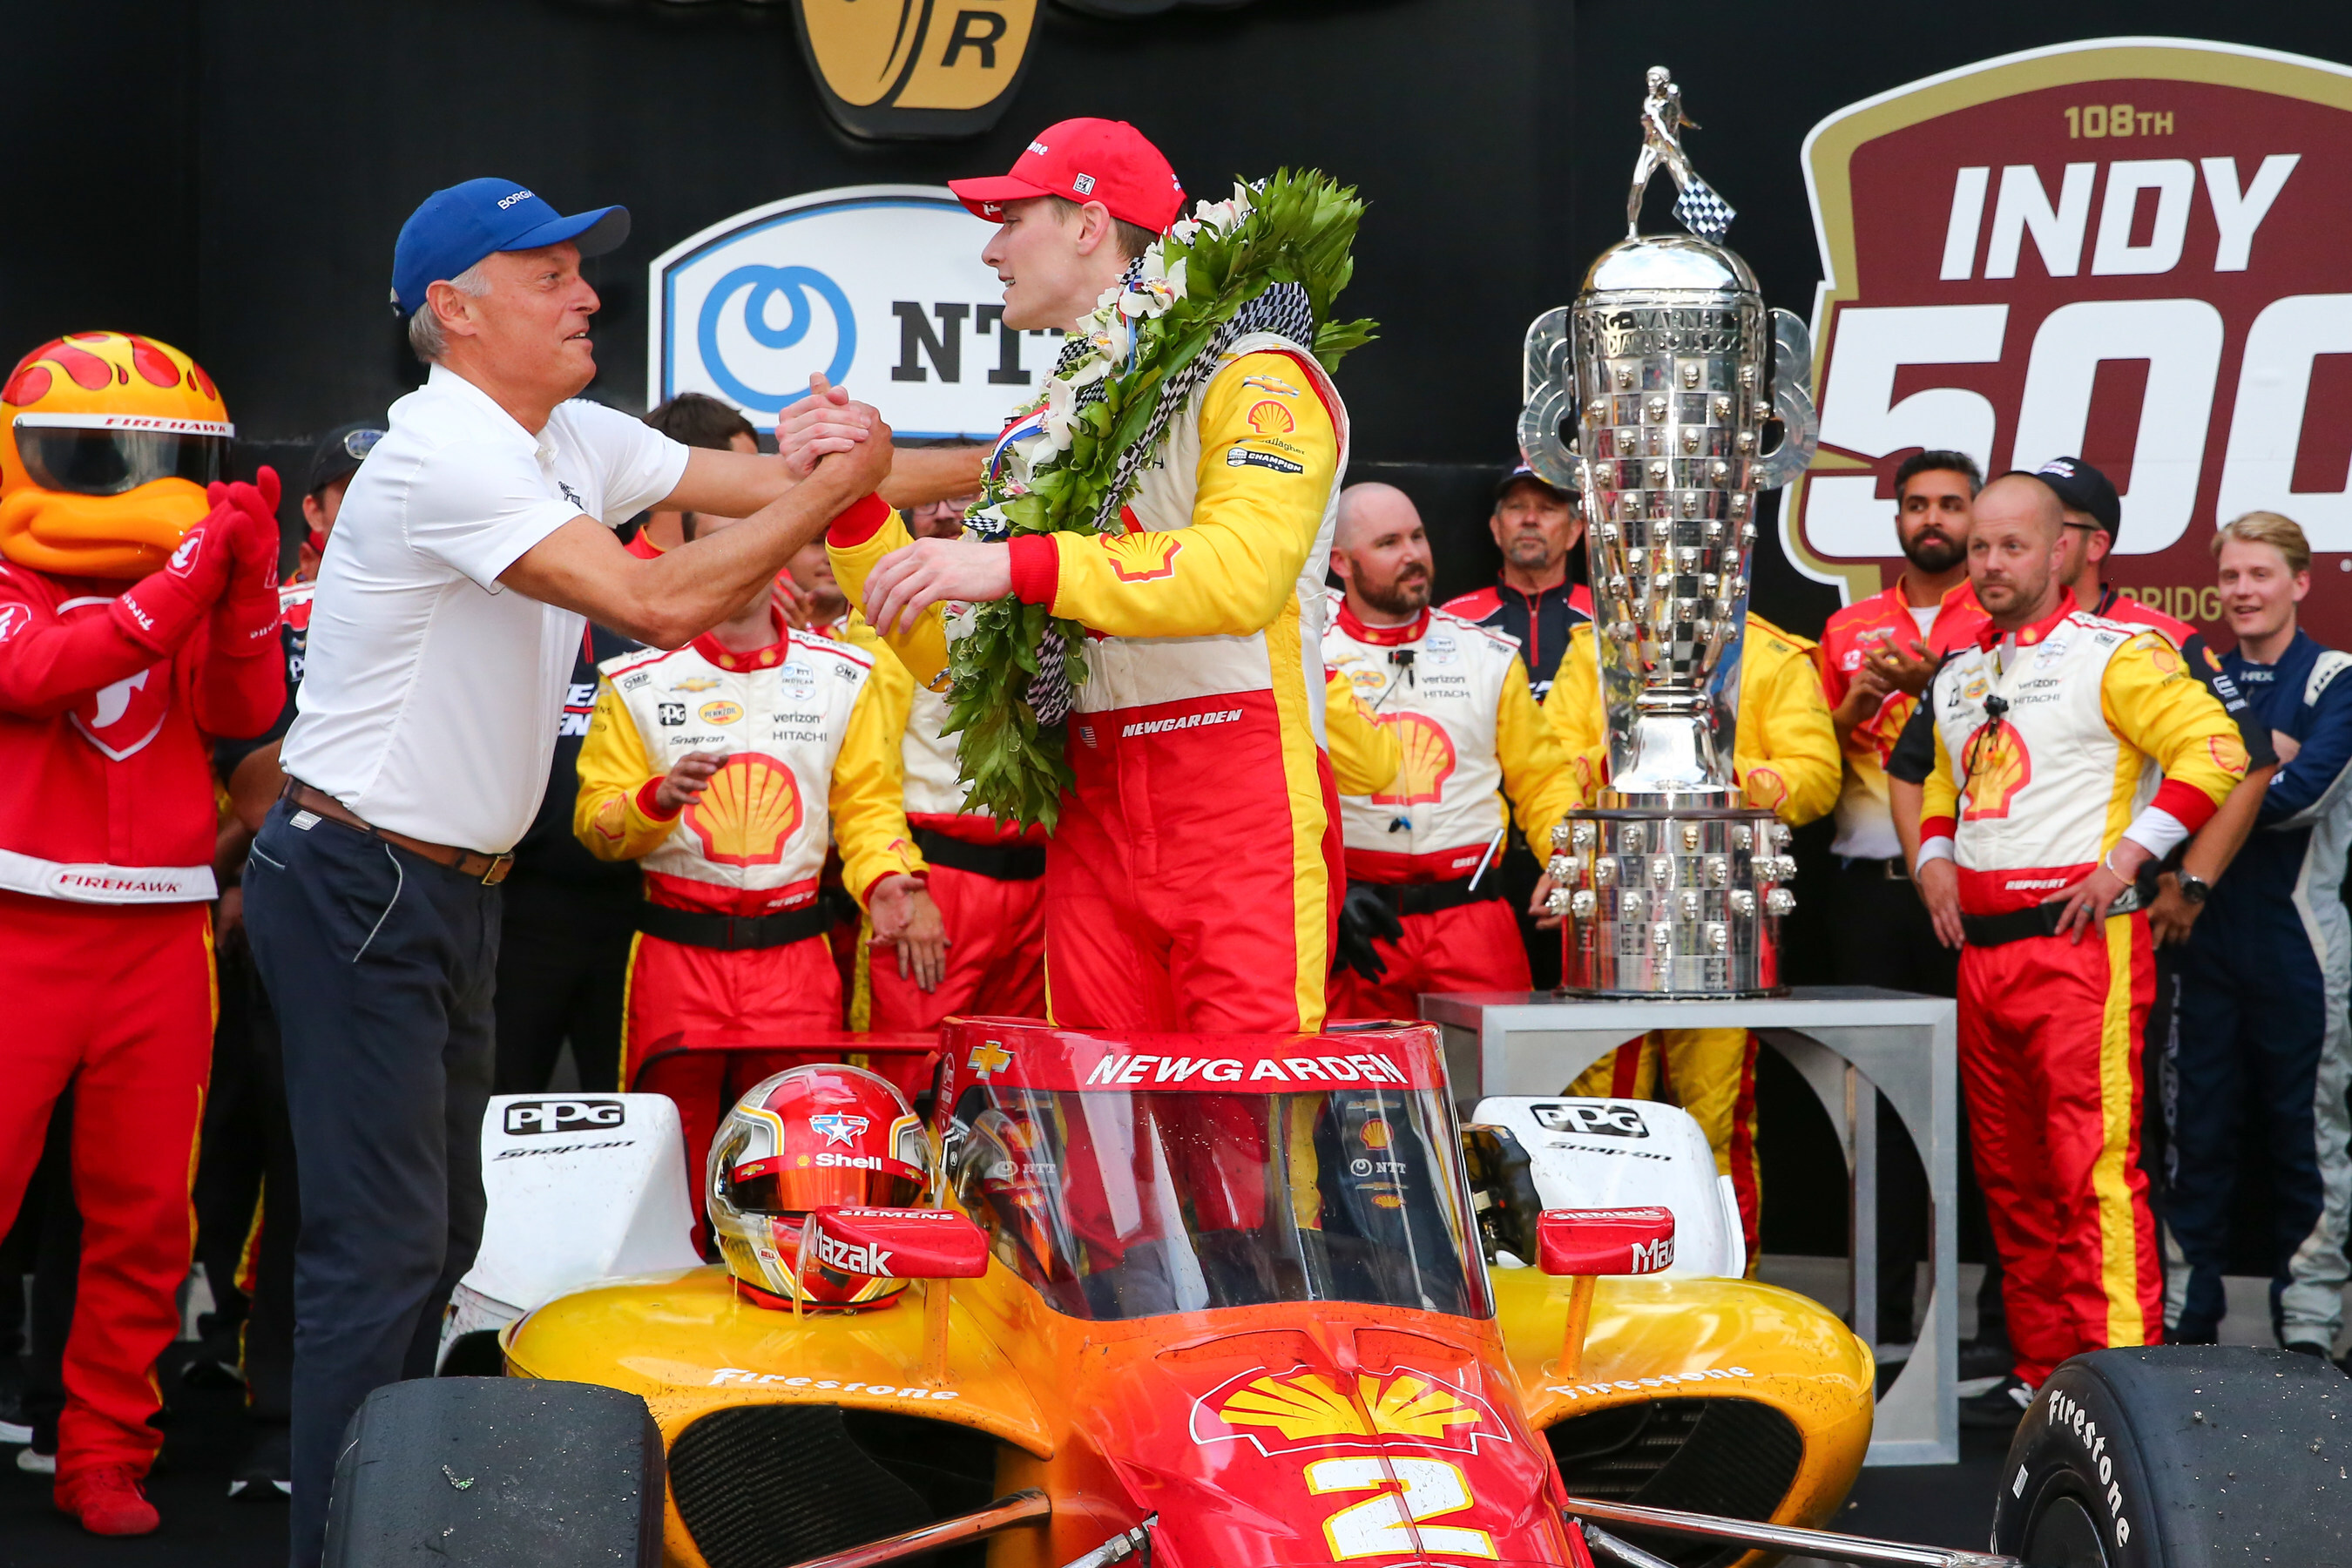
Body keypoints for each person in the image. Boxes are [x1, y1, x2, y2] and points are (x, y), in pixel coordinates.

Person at [238, 177, 902, 1567]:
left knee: (438, 1236)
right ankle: (346, 1547)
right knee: (380, 1253)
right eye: (547, 274)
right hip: (364, 880)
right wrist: (839, 488)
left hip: (438, 886)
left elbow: (795, 488)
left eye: (579, 269)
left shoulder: (565, 437)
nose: (587, 292)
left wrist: (934, 457)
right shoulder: (441, 451)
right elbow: (661, 597)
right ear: (455, 312)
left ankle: (388, 1521)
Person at [817, 118, 1355, 1033]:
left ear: (1086, 224)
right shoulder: (1050, 428)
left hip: (1239, 792)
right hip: (1093, 805)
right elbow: (957, 665)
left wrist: (1015, 563)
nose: (989, 249)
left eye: (1008, 217)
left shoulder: (1257, 372)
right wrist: (853, 507)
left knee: (1246, 1140)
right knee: (1104, 1143)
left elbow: (1241, 575)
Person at [0, 331, 286, 1535]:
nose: (130, 475)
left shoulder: (198, 572)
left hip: (162, 935)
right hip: (19, 922)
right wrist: (182, 580)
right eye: (97, 452)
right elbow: (41, 676)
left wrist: (248, 588)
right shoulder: (14, 582)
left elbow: (241, 711)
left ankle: (104, 1448)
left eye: (157, 453)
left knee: (145, 1216)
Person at [1912, 473, 2245, 1428]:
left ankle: (2129, 1392)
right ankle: (2043, 1369)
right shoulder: (1964, 668)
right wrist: (1935, 857)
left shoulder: (2118, 653)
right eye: (1979, 547)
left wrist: (2131, 861)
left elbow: (2216, 751)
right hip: (1983, 956)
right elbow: (1944, 778)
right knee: (2010, 1176)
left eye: (2010, 547)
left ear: (2062, 550)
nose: (1989, 564)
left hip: (2079, 951)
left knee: (2089, 1169)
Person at [572, 499, 936, 1187]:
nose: (735, 560)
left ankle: (794, 1291)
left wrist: (889, 880)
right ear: (685, 558)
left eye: (750, 541)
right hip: (676, 953)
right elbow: (597, 824)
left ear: (776, 550)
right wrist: (657, 800)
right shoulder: (637, 681)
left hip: (796, 957)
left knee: (801, 1157)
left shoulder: (843, 676)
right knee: (663, 1164)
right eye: (715, 544)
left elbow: (869, 810)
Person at [1546, 607, 1841, 1260]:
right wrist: (1625, 771)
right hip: (1612, 924)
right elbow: (1548, 759)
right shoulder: (1594, 651)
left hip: (1719, 931)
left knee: (1714, 1127)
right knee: (1599, 1120)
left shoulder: (1771, 654)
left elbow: (1818, 773)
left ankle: (1727, 1291)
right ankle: (1600, 1305)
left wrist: (1718, 778)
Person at [2171, 512, 2352, 1363]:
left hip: (2299, 945)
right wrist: (2263, 755)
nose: (2243, 591)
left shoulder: (2335, 679)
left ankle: (2310, 1328)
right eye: (2232, 577)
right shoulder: (2197, 675)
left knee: (2306, 1139)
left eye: (2261, 575)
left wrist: (2236, 770)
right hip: (2198, 940)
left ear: (2300, 583)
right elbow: (2164, 798)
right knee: (2194, 1137)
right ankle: (2183, 1320)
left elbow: (2294, 801)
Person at [1321, 482, 1580, 1017]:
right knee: (1350, 1097)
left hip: (1474, 916)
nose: (1414, 554)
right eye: (1389, 543)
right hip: (1355, 920)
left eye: (1417, 536)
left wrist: (1568, 854)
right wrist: (1321, 897)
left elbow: (1543, 777)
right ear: (1341, 562)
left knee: (1497, 1093)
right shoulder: (1306, 654)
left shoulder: (1485, 653)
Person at [631, 393, 759, 556]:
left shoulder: (785, 572)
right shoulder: (613, 576)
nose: (756, 489)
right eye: (745, 476)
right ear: (697, 475)